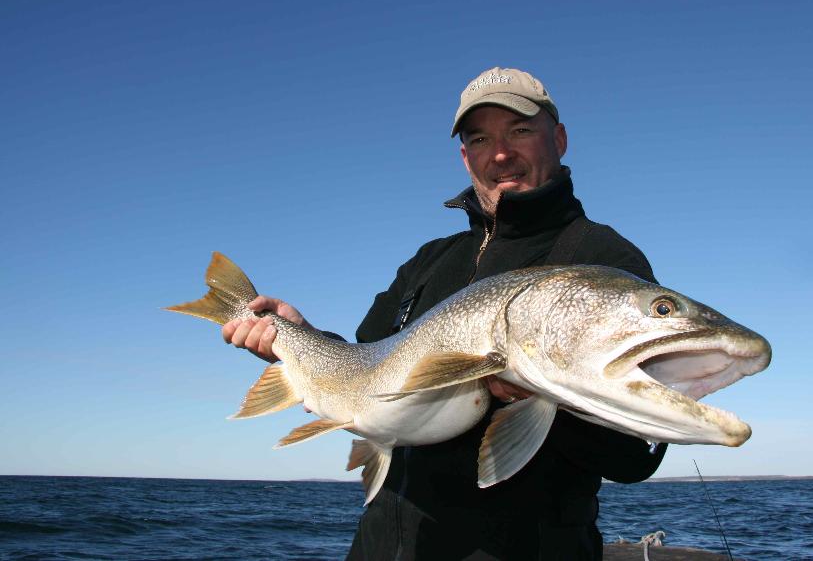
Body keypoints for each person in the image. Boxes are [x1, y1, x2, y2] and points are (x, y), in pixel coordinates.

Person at [222, 67, 668, 560]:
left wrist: (543, 395)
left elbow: (634, 454)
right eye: (480, 139)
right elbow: (367, 365)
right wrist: (300, 336)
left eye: (520, 130)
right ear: (465, 156)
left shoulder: (603, 260)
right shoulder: (428, 260)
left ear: (559, 139)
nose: (500, 153)